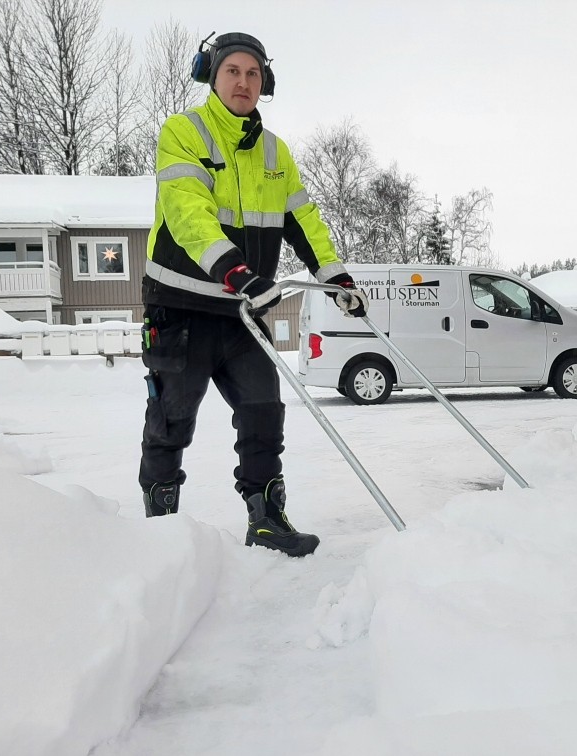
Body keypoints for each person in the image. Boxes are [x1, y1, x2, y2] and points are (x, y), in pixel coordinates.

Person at [138, 31, 368, 558]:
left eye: (253, 73)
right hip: (183, 307)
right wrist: (234, 269)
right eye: (232, 71)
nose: (243, 82)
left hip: (243, 314)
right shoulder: (183, 132)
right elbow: (187, 210)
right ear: (211, 76)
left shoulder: (275, 151)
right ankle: (158, 532)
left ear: (264, 82)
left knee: (264, 415)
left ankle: (267, 519)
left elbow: (302, 218)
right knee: (171, 421)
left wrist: (333, 275)